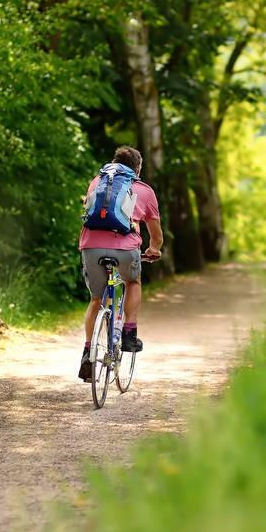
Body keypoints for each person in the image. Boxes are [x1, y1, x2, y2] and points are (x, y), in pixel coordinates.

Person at [78, 146, 163, 381]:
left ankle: (88, 351)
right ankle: (128, 333)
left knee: (96, 299)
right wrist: (154, 248)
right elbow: (156, 235)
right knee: (133, 282)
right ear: (138, 169)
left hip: (91, 247)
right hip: (126, 250)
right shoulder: (143, 190)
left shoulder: (97, 182)